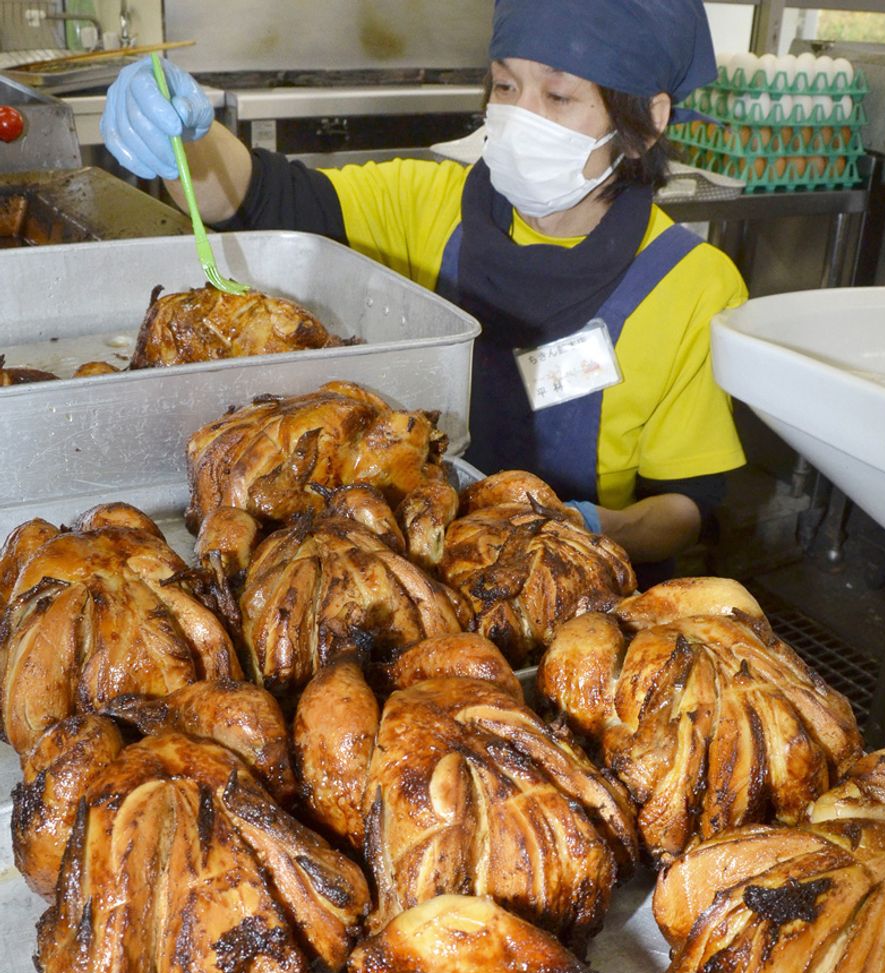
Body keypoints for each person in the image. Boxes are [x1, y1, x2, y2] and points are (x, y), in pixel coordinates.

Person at [100, 0, 747, 578]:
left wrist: (585, 526)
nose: (520, 117)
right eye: (505, 85)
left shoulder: (691, 284)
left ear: (646, 121)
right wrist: (189, 135)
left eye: (557, 96)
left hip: (572, 585)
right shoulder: (429, 205)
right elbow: (262, 198)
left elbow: (686, 507)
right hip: (399, 565)